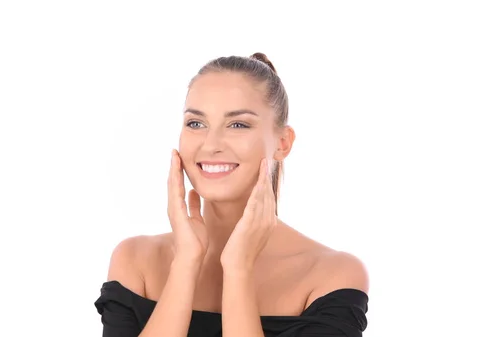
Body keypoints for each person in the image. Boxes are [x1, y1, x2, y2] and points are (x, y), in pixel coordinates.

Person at [94, 52, 369, 337]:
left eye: (238, 125)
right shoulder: (135, 260)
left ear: (283, 143)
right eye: (196, 123)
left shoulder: (332, 275)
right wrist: (185, 265)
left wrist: (238, 270)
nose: (211, 144)